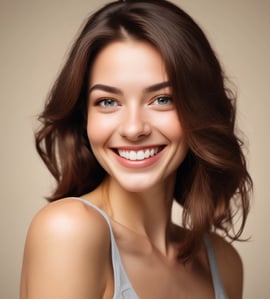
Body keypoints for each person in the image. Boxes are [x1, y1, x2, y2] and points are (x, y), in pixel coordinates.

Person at [20, 1, 252, 298]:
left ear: (200, 109)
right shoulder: (68, 231)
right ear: (84, 117)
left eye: (162, 99)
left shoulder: (223, 261)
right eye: (108, 101)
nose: (133, 128)